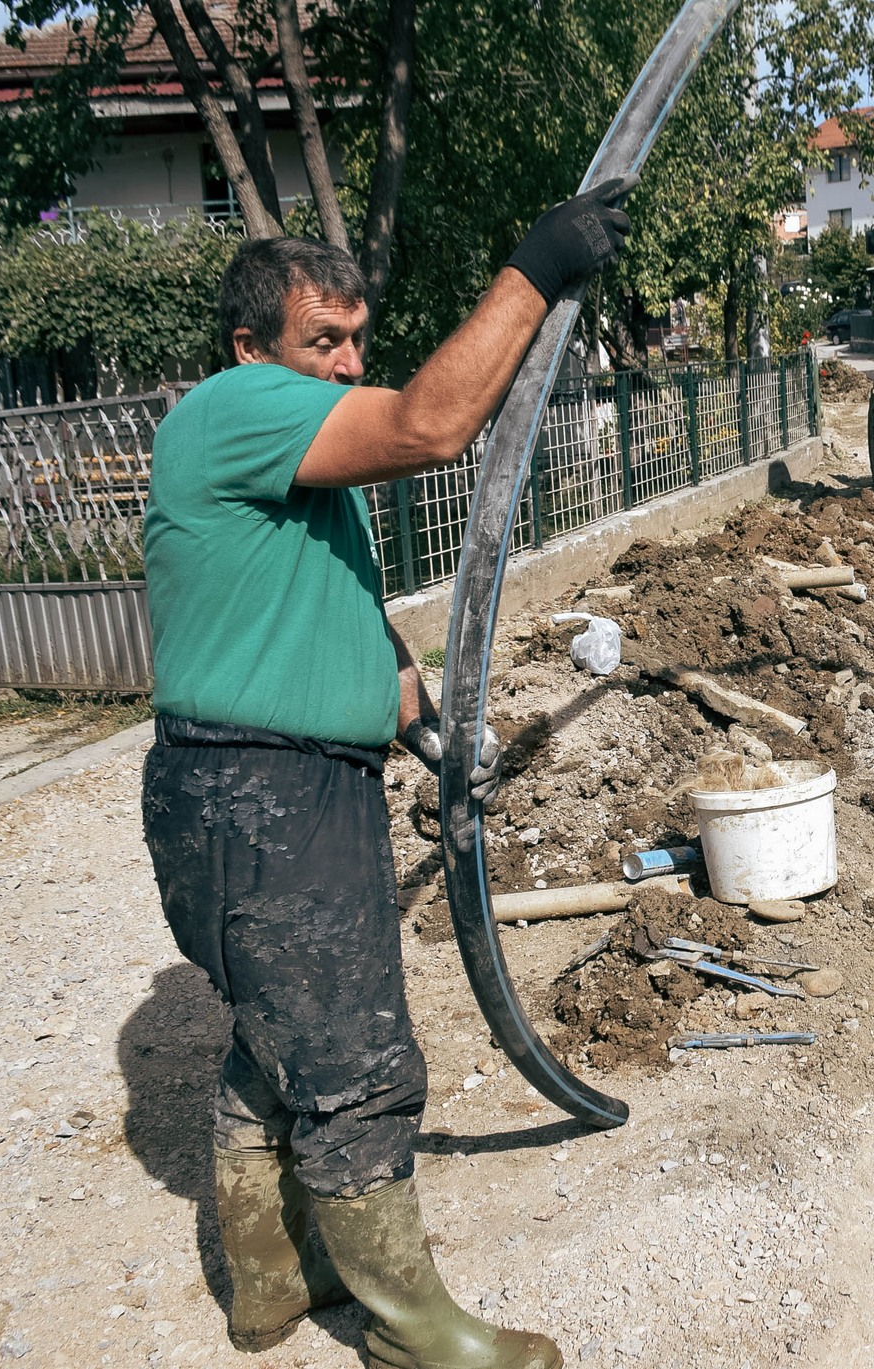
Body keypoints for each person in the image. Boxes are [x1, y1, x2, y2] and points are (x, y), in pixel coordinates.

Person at [139, 180, 630, 1369]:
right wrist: (532, 265)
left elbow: (341, 618)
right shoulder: (238, 407)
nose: (347, 365)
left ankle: (270, 1284)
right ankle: (415, 1334)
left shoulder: (291, 464)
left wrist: (420, 720)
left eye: (358, 341)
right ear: (250, 345)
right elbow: (427, 425)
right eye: (323, 342)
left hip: (251, 789)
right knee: (356, 1060)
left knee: (277, 1039)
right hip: (265, 795)